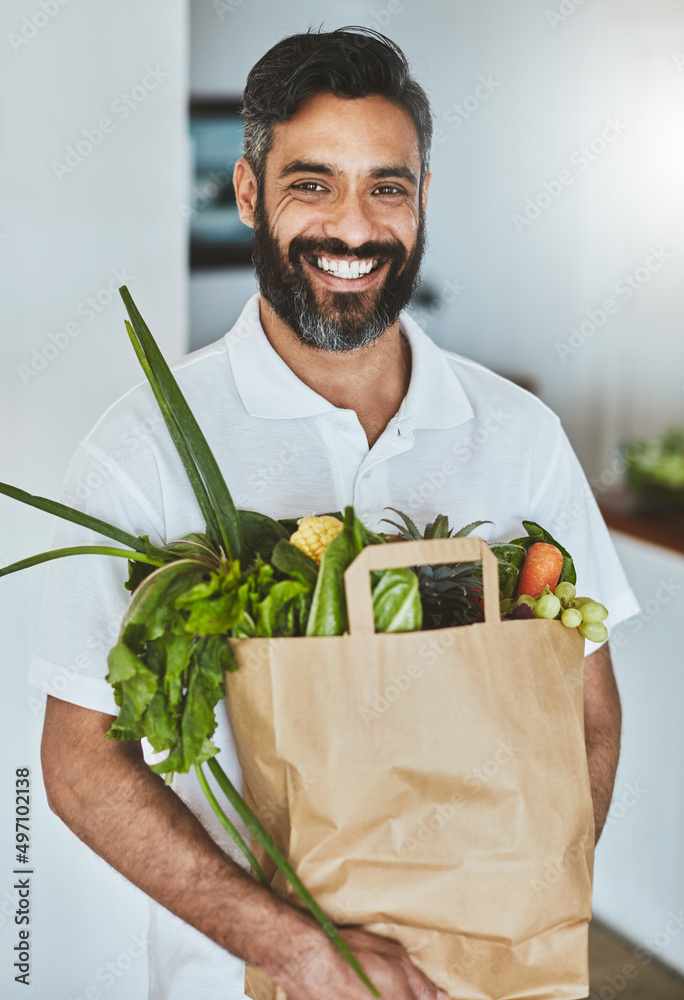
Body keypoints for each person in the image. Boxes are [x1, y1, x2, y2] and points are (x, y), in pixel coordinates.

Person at [31, 26, 639, 1000]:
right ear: (247, 193)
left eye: (385, 187)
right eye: (312, 183)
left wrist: (524, 889)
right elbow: (76, 763)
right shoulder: (146, 445)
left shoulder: (520, 434)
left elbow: (590, 711)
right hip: (240, 980)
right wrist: (297, 950)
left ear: (423, 200)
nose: (353, 228)